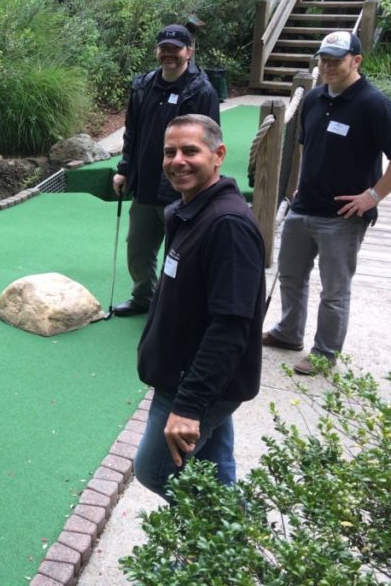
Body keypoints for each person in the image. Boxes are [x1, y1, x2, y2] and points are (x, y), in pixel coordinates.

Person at [263, 31, 391, 375]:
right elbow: (307, 145)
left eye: (336, 60)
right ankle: (289, 333)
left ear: (356, 60)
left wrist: (373, 195)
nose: (329, 66)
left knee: (334, 290)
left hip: (343, 216)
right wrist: (302, 183)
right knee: (290, 277)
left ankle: (324, 351)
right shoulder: (315, 98)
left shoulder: (372, 103)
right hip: (305, 208)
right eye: (324, 59)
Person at [134, 114, 265, 500]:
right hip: (185, 375)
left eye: (190, 150)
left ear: (218, 155)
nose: (178, 160)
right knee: (213, 473)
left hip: (196, 384)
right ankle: (225, 548)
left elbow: (231, 325)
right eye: (169, 152)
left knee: (156, 471)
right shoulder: (185, 211)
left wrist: (189, 406)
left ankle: (219, 542)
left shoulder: (227, 225)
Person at [111, 24, 220, 316]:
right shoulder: (143, 85)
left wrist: (204, 184)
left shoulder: (201, 90)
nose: (168, 54)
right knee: (138, 249)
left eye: (175, 49)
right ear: (157, 51)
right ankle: (143, 297)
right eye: (164, 48)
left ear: (189, 52)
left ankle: (176, 307)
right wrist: (123, 170)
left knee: (181, 253)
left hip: (181, 188)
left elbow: (210, 141)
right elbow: (131, 132)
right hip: (145, 183)